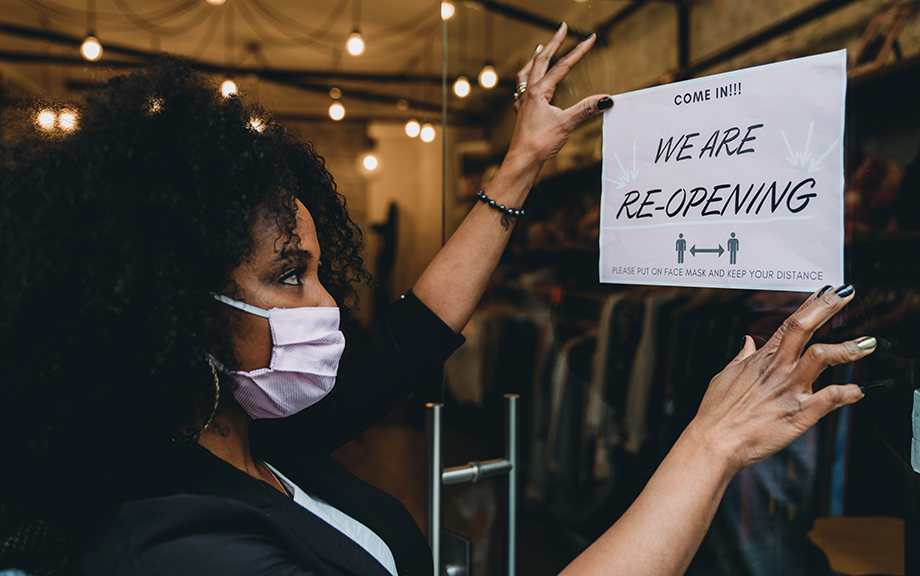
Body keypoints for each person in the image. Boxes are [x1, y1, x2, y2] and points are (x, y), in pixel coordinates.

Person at [0, 24, 873, 576]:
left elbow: (414, 337)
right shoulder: (181, 544)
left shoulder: (250, 437)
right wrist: (711, 444)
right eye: (290, 276)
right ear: (173, 310)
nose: (326, 304)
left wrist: (520, 165)